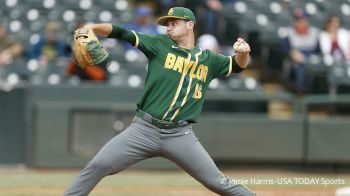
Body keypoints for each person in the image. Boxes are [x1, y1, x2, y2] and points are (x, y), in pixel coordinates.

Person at [64, 7, 254, 196]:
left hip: (180, 134)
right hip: (143, 130)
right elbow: (122, 32)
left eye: (174, 23)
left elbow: (237, 65)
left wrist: (243, 52)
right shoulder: (159, 44)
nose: (169, 28)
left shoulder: (208, 60)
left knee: (218, 182)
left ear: (190, 25)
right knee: (99, 164)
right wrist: (93, 27)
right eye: (167, 24)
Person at [283, 8, 320, 93]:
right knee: (301, 68)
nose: (301, 22)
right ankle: (301, 94)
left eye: (304, 19)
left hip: (312, 57)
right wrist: (292, 53)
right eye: (299, 20)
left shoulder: (314, 32)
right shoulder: (289, 33)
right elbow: (286, 49)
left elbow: (319, 51)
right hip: (297, 60)